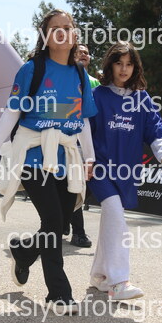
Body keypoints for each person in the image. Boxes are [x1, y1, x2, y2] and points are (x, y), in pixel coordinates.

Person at [0, 9, 97, 314]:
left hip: (67, 157)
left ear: (75, 34)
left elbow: (84, 120)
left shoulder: (80, 75)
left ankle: (23, 252)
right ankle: (59, 295)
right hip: (33, 155)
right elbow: (11, 112)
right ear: (45, 36)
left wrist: (89, 157)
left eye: (67, 27)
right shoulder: (31, 70)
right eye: (54, 28)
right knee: (52, 223)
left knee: (59, 225)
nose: (62, 32)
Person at [87, 41, 162, 301]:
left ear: (135, 68)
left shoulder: (141, 98)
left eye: (129, 64)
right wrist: (85, 159)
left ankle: (99, 276)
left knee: (111, 218)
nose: (124, 69)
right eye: (118, 63)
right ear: (109, 65)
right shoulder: (97, 95)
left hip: (126, 171)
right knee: (116, 217)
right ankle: (118, 282)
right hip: (100, 168)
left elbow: (155, 128)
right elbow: (84, 130)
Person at [63, 43, 100, 248]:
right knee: (73, 187)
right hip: (69, 142)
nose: (84, 55)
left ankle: (64, 220)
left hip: (91, 142)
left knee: (82, 188)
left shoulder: (96, 83)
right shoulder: (65, 78)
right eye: (80, 52)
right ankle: (78, 232)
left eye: (86, 52)